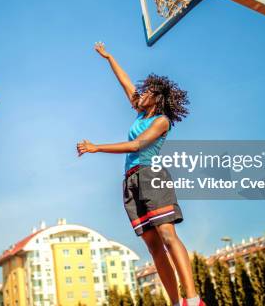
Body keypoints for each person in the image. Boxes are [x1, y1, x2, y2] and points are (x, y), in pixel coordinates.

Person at [77, 43, 204, 306]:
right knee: (153, 246)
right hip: (131, 181)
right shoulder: (139, 113)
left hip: (151, 176)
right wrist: (110, 57)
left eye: (147, 91)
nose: (141, 93)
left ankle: (192, 299)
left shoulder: (161, 121)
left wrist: (96, 147)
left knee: (168, 236)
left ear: (157, 98)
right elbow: (125, 84)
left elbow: (137, 145)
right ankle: (175, 302)